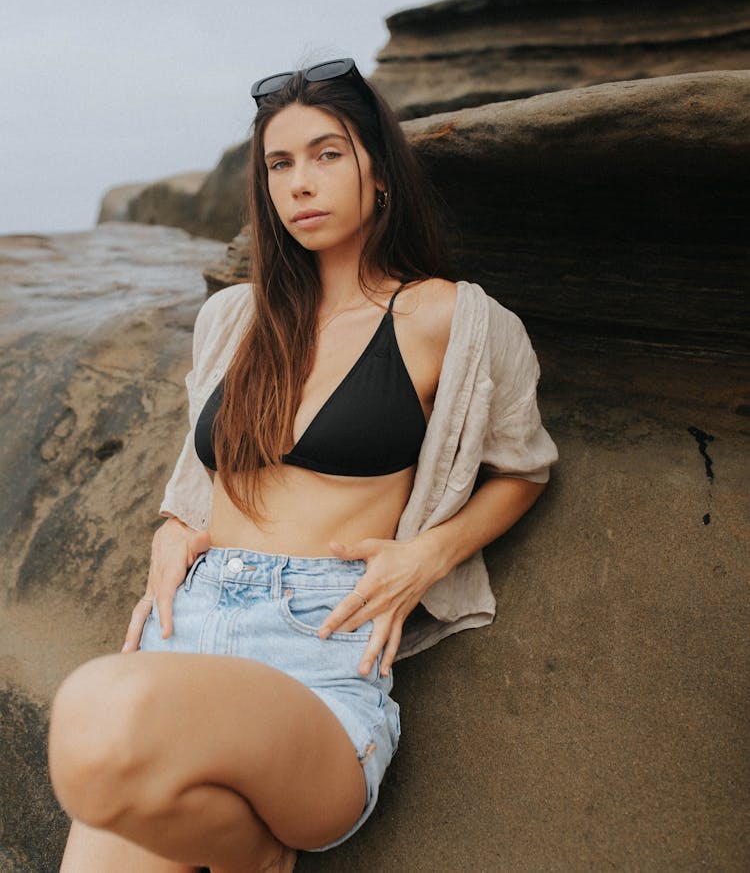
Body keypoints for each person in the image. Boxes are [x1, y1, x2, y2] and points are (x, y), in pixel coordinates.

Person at [47, 58, 558, 873]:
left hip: (319, 653)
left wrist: (427, 555)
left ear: (380, 172)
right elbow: (202, 466)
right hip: (190, 627)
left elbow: (524, 468)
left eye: (327, 154)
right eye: (279, 164)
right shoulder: (234, 318)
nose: (300, 183)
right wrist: (178, 524)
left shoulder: (449, 317)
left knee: (92, 713)